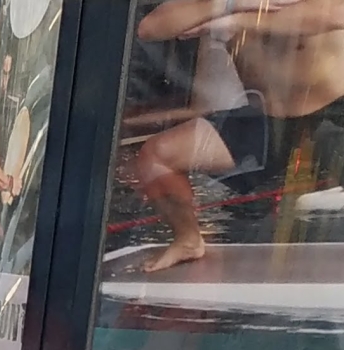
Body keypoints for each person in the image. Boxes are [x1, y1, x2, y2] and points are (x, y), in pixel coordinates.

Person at [128, 0, 344, 271]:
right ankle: (188, 240)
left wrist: (237, 20)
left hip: (335, 109)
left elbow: (334, 14)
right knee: (157, 156)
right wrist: (229, 4)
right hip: (268, 120)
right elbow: (150, 28)